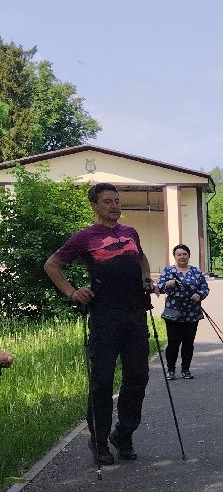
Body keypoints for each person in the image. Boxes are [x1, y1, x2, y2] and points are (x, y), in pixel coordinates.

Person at [44, 182, 153, 464]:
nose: (115, 206)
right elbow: (52, 265)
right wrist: (71, 292)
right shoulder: (85, 237)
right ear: (94, 205)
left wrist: (145, 278)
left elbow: (141, 257)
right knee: (102, 382)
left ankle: (124, 433)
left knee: (138, 378)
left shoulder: (130, 233)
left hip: (135, 314)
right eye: (108, 202)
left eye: (117, 201)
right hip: (104, 317)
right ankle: (100, 440)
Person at [157, 244, 210, 379]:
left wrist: (199, 295)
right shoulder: (168, 271)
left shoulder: (196, 272)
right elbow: (159, 288)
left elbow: (205, 288)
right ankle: (171, 370)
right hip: (173, 313)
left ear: (188, 256)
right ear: (174, 256)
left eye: (184, 254)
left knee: (188, 343)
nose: (182, 257)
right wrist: (168, 284)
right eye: (179, 254)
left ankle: (185, 369)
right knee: (173, 343)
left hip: (192, 313)